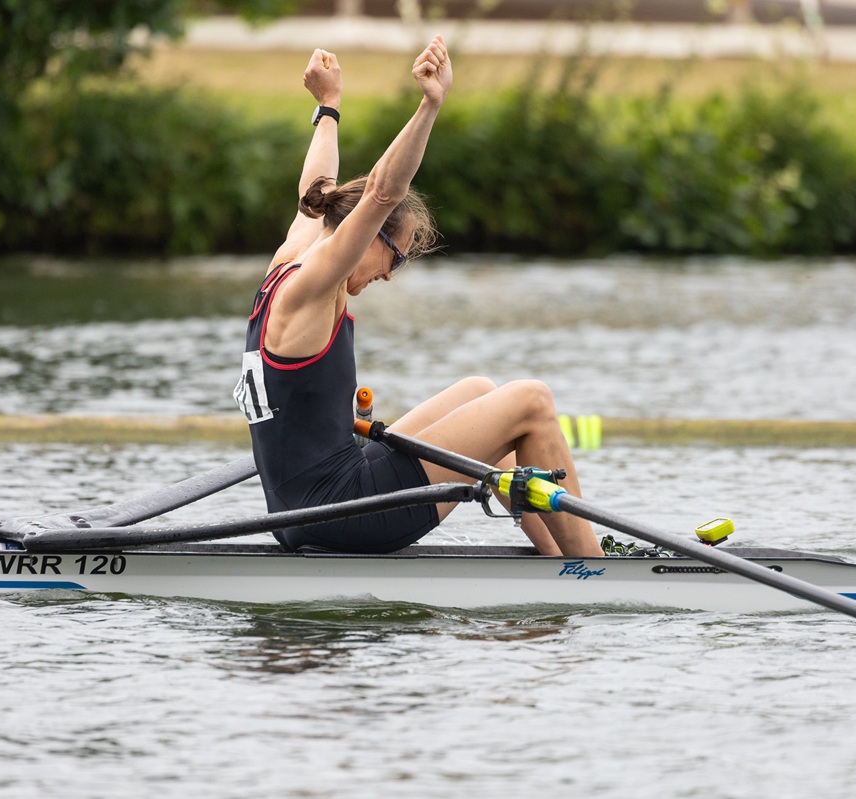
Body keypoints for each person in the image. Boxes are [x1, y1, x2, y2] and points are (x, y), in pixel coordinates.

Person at [234, 36, 604, 559]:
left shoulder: (293, 254)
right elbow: (386, 190)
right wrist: (431, 104)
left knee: (481, 391)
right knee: (532, 400)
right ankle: (594, 569)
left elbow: (315, 185)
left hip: (301, 509)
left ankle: (559, 556)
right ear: (370, 233)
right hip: (343, 514)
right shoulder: (315, 284)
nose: (391, 275)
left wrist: (328, 107)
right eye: (397, 257)